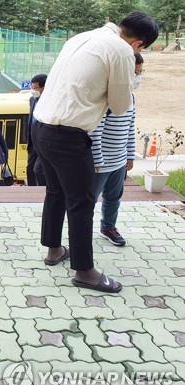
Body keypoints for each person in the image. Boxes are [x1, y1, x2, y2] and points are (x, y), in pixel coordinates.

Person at [32, 12, 158, 293]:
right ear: (138, 43)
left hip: (41, 126)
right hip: (69, 136)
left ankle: (54, 251)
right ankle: (84, 271)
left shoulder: (83, 36)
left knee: (56, 192)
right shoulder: (122, 50)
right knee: (82, 202)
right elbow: (121, 104)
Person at [89, 53, 143, 246]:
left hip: (119, 161)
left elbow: (130, 127)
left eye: (140, 72)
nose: (139, 77)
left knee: (114, 197)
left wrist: (129, 156)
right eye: (136, 73)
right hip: (100, 163)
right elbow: (94, 131)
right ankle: (81, 233)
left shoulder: (131, 98)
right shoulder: (106, 98)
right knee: (89, 200)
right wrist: (97, 161)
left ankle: (108, 227)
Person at [27, 74, 47, 186]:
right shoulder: (33, 100)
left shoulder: (51, 101)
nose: (33, 91)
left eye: (35, 88)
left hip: (43, 141)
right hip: (33, 141)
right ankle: (31, 191)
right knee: (30, 168)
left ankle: (44, 190)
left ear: (44, 87)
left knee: (39, 169)